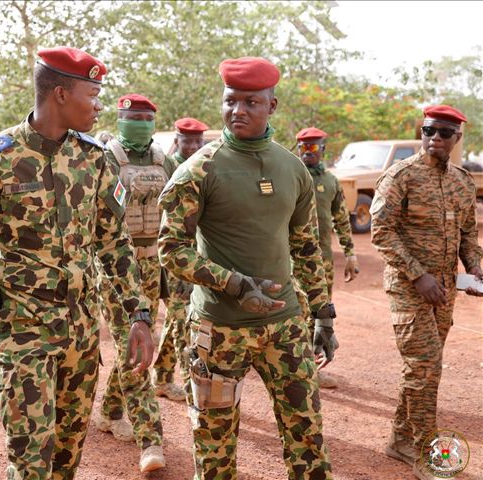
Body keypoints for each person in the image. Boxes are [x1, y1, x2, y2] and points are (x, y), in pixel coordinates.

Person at [0, 47, 158, 478]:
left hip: (80, 332)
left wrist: (139, 313)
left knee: (66, 462)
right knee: (29, 462)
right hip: (24, 333)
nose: (98, 106)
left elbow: (114, 244)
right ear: (59, 93)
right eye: (92, 94)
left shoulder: (95, 159)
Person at [158, 57, 336, 479]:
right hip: (219, 330)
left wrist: (324, 315)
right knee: (215, 444)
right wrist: (235, 284)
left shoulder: (292, 168)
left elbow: (306, 247)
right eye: (230, 101)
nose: (238, 110)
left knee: (307, 435)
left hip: (286, 324)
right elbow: (171, 249)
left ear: (272, 106)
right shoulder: (198, 170)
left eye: (251, 102)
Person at [371, 105, 482, 480]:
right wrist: (418, 275)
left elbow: (469, 232)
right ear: (421, 132)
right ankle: (424, 451)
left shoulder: (463, 182)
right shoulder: (400, 176)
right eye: (428, 130)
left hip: (445, 291)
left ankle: (399, 440)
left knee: (421, 369)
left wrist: (475, 267)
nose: (435, 137)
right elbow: (381, 232)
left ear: (456, 138)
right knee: (425, 366)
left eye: (444, 132)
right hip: (409, 288)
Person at [94, 93, 166, 469]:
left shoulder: (161, 159)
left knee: (136, 340)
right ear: (121, 120)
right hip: (117, 267)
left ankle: (108, 412)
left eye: (145, 118)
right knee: (134, 344)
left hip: (153, 263)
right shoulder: (105, 158)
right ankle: (150, 439)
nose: (139, 124)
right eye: (132, 117)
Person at [294, 126, 359, 389]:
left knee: (320, 314)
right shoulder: (289, 177)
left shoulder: (331, 182)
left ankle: (311, 367)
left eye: (313, 147)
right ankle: (294, 367)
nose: (308, 152)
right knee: (294, 312)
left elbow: (342, 219)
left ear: (323, 149)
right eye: (303, 147)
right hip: (290, 260)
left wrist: (351, 254)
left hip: (323, 262)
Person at [152, 117, 209, 399]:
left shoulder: (204, 168)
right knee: (182, 322)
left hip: (195, 255)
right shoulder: (168, 167)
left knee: (176, 320)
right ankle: (191, 388)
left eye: (199, 141)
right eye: (188, 141)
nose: (194, 146)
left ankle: (162, 377)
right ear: (178, 140)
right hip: (173, 257)